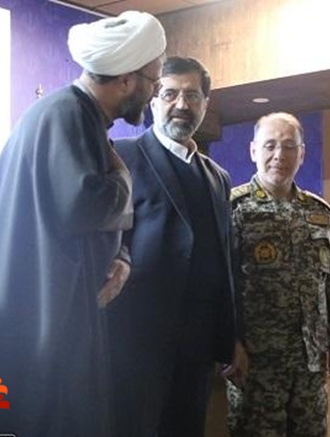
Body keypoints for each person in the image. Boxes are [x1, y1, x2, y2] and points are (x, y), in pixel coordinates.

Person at [0, 11, 166, 437]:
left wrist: (120, 256)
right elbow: (80, 203)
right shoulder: (65, 115)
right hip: (33, 332)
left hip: (49, 322)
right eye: (153, 80)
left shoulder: (77, 117)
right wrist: (124, 176)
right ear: (125, 80)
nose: (153, 91)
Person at [107, 56, 238, 437]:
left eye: (193, 96)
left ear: (205, 104)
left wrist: (230, 338)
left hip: (197, 350)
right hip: (134, 345)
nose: (182, 104)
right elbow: (108, 243)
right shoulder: (122, 156)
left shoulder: (218, 177)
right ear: (152, 100)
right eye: (170, 94)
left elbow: (225, 262)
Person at [225, 112, 330, 437]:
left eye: (289, 147)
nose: (279, 155)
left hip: (310, 363)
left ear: (302, 154)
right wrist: (229, 343)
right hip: (255, 364)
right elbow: (221, 285)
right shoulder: (233, 209)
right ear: (253, 151)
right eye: (270, 145)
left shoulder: (318, 212)